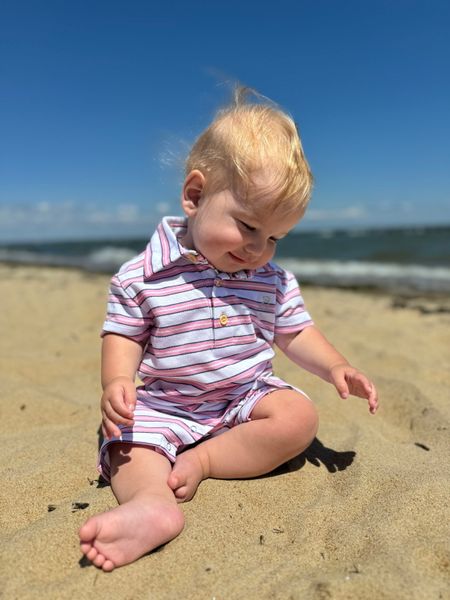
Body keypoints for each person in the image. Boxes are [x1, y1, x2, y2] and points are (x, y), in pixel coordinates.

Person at [79, 88, 378, 571]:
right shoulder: (144, 275)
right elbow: (124, 333)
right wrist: (116, 381)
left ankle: (207, 461)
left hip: (245, 396)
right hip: (168, 401)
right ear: (195, 196)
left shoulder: (272, 280)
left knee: (298, 418)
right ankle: (152, 506)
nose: (259, 248)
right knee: (126, 444)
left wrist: (336, 366)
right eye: (247, 226)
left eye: (275, 237)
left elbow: (296, 333)